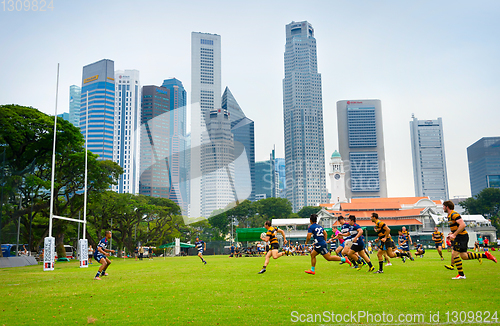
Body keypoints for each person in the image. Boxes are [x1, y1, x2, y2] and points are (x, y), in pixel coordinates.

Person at [443, 200, 497, 279]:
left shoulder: (454, 214)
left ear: (447, 207)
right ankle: (485, 255)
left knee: (454, 254)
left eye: (443, 206)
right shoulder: (449, 216)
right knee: (464, 256)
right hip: (460, 236)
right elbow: (457, 227)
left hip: (461, 237)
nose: (443, 208)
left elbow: (462, 225)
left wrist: (454, 234)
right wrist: (451, 233)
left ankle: (461, 275)